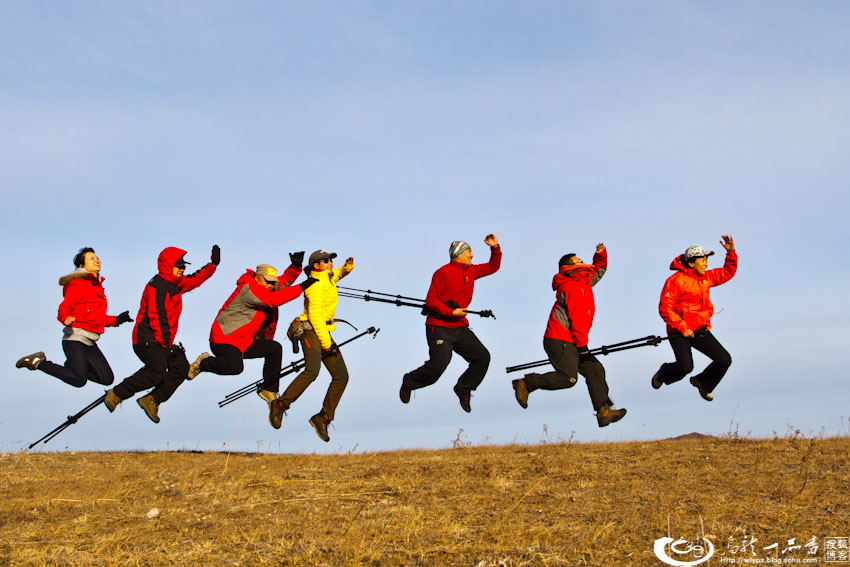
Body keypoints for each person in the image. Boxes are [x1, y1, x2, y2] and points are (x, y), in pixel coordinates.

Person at [188, 252, 315, 427]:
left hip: (244, 341)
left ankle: (269, 390)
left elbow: (283, 281)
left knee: (274, 348)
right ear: (257, 277)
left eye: (272, 282)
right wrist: (302, 287)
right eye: (268, 281)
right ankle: (203, 363)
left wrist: (295, 267)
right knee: (235, 367)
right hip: (224, 338)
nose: (271, 285)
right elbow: (273, 300)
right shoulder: (249, 288)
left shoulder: (264, 286)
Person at [511, 243, 627, 427]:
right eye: (579, 261)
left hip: (571, 340)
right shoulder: (573, 287)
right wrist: (582, 347)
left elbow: (599, 270)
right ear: (571, 267)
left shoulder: (583, 282)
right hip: (560, 340)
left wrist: (600, 254)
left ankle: (603, 411)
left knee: (595, 369)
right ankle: (526, 383)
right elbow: (578, 319)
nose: (584, 263)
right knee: (568, 378)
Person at [102, 246, 219, 422]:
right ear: (167, 265)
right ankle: (117, 394)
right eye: (178, 265)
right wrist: (165, 343)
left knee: (180, 368)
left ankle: (152, 400)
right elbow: (157, 315)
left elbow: (195, 279)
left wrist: (212, 265)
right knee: (156, 371)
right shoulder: (157, 285)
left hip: (162, 340)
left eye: (183, 266)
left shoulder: (177, 284)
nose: (182, 269)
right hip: (146, 339)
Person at [400, 234, 501, 413]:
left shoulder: (472, 271)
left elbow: (494, 266)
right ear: (458, 254)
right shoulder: (442, 272)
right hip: (438, 327)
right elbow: (431, 300)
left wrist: (495, 247)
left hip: (459, 327)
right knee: (439, 365)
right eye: (469, 252)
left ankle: (463, 388)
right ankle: (409, 381)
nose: (472, 255)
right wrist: (450, 312)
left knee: (482, 357)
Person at [16, 247, 132, 387]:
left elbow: (95, 317)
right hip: (75, 339)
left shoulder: (96, 286)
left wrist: (117, 320)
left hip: (90, 342)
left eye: (97, 258)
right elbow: (65, 305)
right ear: (81, 265)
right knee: (79, 380)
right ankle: (38, 363)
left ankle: (74, 367)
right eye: (92, 258)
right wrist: (65, 317)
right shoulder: (78, 283)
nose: (97, 260)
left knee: (106, 379)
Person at [273, 250, 354, 442]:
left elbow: (336, 275)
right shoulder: (314, 286)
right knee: (312, 371)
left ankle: (323, 417)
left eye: (331, 260)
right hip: (312, 331)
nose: (330, 263)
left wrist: (347, 268)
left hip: (324, 332)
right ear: (316, 265)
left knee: (341, 376)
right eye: (326, 261)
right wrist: (326, 343)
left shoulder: (327, 277)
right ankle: (280, 404)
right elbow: (316, 317)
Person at [651, 235, 737, 401]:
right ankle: (664, 373)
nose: (706, 264)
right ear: (691, 263)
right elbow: (665, 308)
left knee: (724, 360)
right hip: (679, 331)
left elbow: (727, 273)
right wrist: (683, 327)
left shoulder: (706, 277)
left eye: (706, 260)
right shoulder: (675, 281)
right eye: (702, 261)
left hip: (700, 329)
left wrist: (731, 252)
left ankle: (703, 383)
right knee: (685, 367)